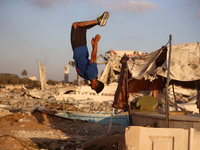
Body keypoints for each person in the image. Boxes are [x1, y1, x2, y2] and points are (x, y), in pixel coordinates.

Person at [71, 11, 109, 93]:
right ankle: (97, 21)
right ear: (96, 85)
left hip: (82, 49)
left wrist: (93, 45)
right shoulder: (91, 75)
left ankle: (99, 22)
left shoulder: (94, 74)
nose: (91, 88)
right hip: (79, 49)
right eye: (94, 88)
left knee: (83, 28)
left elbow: (94, 59)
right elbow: (93, 57)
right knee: (75, 25)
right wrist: (96, 43)